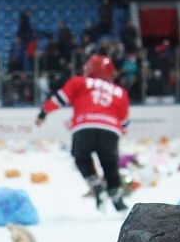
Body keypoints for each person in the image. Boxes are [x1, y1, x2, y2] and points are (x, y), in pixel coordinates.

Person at [36, 54, 131, 212]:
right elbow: (124, 122)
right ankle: (117, 198)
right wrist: (118, 133)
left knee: (81, 158)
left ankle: (95, 184)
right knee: (110, 166)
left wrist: (43, 113)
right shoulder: (120, 91)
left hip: (84, 126)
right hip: (110, 129)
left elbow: (59, 99)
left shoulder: (79, 82)